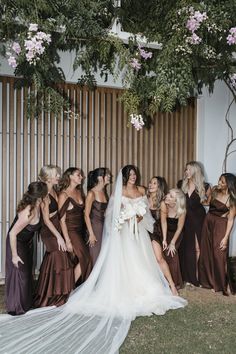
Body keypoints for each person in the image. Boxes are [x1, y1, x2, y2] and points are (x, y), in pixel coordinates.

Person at [0, 165, 187, 354]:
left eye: (134, 174)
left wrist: (134, 217)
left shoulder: (132, 191)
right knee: (89, 260)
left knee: (122, 262)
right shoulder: (86, 194)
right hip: (93, 231)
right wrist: (77, 234)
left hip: (131, 232)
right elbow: (84, 215)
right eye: (129, 174)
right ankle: (59, 292)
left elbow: (138, 210)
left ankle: (63, 291)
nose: (133, 176)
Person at [34, 165, 74, 307]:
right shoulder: (44, 194)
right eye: (56, 174)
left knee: (55, 259)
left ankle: (52, 294)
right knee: (59, 257)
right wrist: (59, 237)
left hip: (57, 228)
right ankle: (52, 297)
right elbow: (45, 220)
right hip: (50, 231)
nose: (59, 176)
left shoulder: (54, 191)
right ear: (48, 177)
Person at [5, 182, 48, 315]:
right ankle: (17, 307)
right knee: (21, 274)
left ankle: (26, 303)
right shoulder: (27, 212)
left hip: (27, 243)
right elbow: (12, 233)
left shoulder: (39, 205)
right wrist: (14, 255)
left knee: (27, 274)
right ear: (40, 195)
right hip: (16, 243)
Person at [199, 173, 236, 295]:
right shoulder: (214, 190)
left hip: (221, 225)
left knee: (219, 255)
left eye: (222, 182)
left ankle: (223, 283)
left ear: (229, 185)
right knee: (207, 251)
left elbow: (231, 220)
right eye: (219, 180)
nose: (219, 183)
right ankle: (209, 281)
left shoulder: (232, 199)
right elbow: (208, 203)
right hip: (208, 222)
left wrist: (225, 238)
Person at [179, 161, 211, 286]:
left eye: (189, 169)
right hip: (185, 220)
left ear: (195, 171)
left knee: (198, 248)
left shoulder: (206, 186)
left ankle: (197, 278)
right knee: (187, 249)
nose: (186, 172)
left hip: (199, 220)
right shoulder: (181, 185)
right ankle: (188, 277)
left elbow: (209, 203)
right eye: (186, 170)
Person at [58, 167, 92, 285]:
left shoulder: (79, 191)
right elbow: (61, 220)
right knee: (85, 258)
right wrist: (67, 240)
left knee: (80, 259)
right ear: (70, 177)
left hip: (80, 230)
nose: (81, 177)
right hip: (71, 231)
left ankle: (73, 286)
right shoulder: (63, 195)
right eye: (79, 175)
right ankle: (68, 288)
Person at [147, 176, 178, 295]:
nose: (150, 185)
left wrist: (164, 239)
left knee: (159, 258)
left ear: (159, 187)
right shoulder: (144, 198)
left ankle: (172, 285)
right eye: (150, 182)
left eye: (154, 183)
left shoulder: (162, 203)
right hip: (142, 231)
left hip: (155, 232)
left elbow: (164, 221)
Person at [161, 188, 186, 289]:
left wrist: (172, 243)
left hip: (176, 233)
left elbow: (180, 228)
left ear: (176, 201)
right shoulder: (164, 204)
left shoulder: (182, 210)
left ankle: (175, 283)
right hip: (164, 230)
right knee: (163, 252)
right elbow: (163, 222)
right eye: (168, 194)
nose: (167, 196)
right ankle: (163, 281)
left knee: (172, 253)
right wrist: (164, 239)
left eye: (171, 196)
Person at [84, 167, 110, 266]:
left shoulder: (104, 192)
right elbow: (86, 215)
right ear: (100, 178)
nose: (109, 176)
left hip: (104, 227)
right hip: (95, 228)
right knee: (95, 256)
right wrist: (91, 234)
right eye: (106, 175)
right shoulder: (91, 193)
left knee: (102, 256)